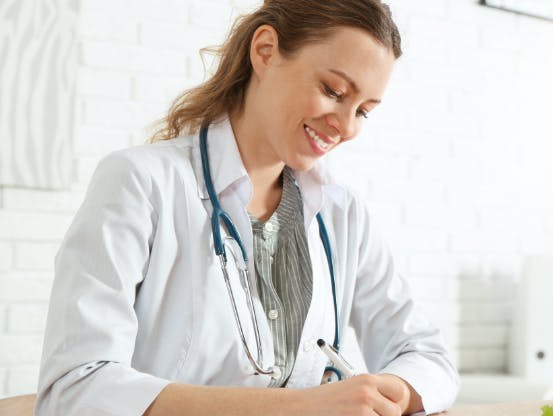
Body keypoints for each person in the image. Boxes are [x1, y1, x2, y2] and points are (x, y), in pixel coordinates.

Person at [35, 1, 459, 415]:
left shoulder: (341, 214)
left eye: (364, 111)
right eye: (333, 91)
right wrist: (300, 407)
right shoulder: (140, 183)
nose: (347, 127)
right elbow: (75, 389)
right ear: (266, 52)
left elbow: (428, 357)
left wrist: (389, 394)